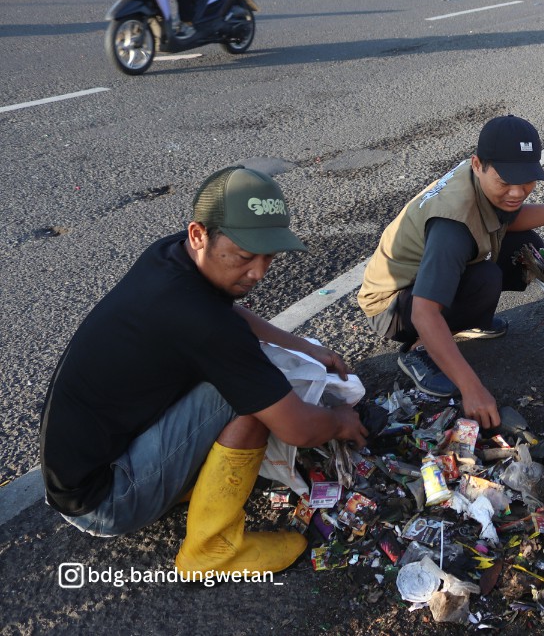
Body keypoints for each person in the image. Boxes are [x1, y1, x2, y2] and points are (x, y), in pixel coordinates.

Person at [39, 167, 368, 579]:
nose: (259, 272)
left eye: (269, 256)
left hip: (80, 472)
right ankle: (211, 551)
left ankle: (182, 482)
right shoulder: (199, 321)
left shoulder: (171, 257)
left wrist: (303, 348)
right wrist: (340, 421)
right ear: (199, 234)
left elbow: (226, 316)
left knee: (245, 369)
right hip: (105, 501)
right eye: (246, 256)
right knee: (252, 397)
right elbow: (298, 429)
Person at [357, 115, 544, 428]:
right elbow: (423, 313)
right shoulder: (453, 227)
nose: (516, 192)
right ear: (477, 164)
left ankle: (462, 322)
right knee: (485, 279)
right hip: (393, 307)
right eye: (505, 182)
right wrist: (471, 388)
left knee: (525, 245)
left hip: (424, 279)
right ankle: (418, 351)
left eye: (525, 181)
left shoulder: (481, 178)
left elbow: (509, 219)